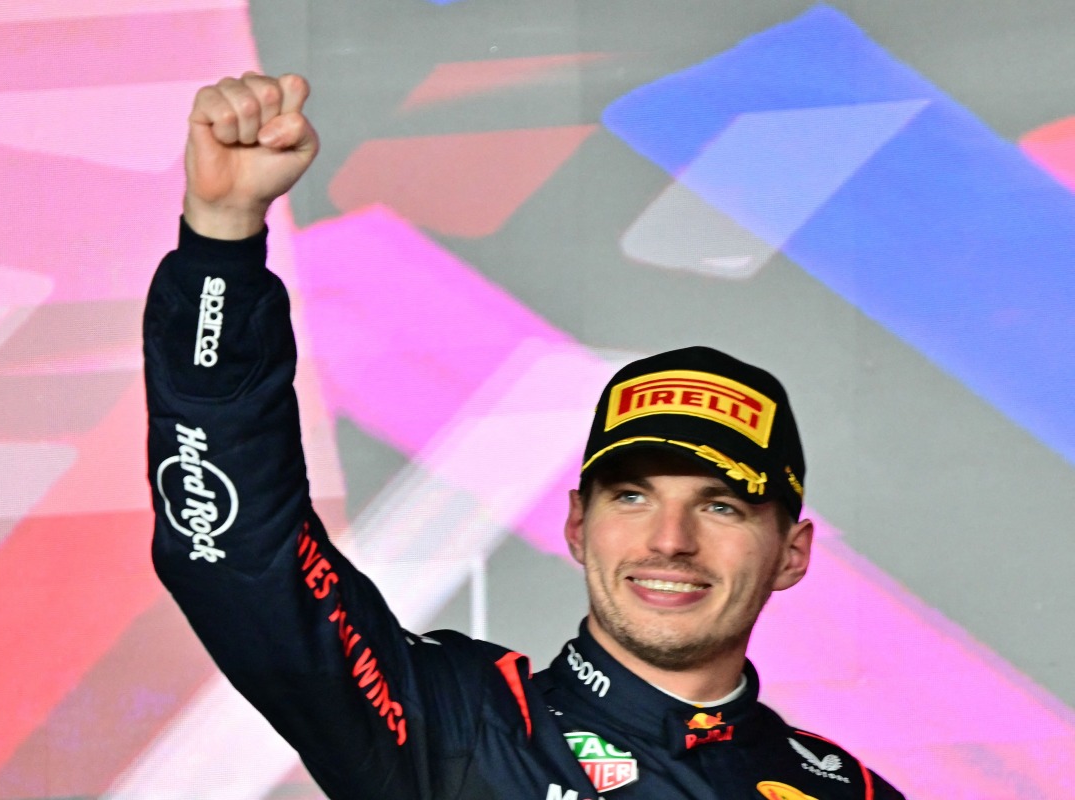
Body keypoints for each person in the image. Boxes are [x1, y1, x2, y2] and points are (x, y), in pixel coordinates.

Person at [144, 72, 904, 800]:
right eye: (631, 497)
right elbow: (236, 556)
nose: (670, 540)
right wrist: (222, 242)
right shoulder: (460, 728)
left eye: (721, 506)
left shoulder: (847, 793)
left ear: (792, 553)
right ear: (577, 524)